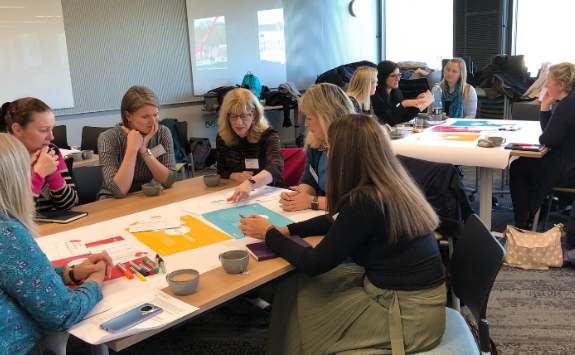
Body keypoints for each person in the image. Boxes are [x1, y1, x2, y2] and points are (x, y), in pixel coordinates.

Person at [240, 114, 446, 355]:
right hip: (408, 295)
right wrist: (288, 230)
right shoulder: (390, 183)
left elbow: (314, 263)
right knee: (294, 286)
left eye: (331, 149)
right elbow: (338, 220)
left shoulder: (366, 201)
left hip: (408, 314)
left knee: (307, 313)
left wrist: (270, 234)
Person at [0, 133, 113, 355]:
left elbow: (18, 274)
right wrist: (96, 280)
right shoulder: (8, 234)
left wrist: (72, 272)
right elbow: (63, 313)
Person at [510, 62, 575, 229]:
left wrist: (545, 107)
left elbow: (547, 139)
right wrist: (546, 107)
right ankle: (535, 214)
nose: (546, 85)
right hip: (570, 161)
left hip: (568, 169)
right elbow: (552, 134)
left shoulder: (568, 104)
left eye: (549, 82)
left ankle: (522, 225)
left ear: (561, 85)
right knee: (527, 165)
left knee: (518, 167)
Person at [279, 83, 354, 212]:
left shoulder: (356, 147)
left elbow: (355, 203)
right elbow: (310, 181)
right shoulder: (317, 143)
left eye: (309, 118)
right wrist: (299, 195)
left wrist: (311, 201)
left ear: (325, 118)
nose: (306, 124)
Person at [98, 86, 178, 200]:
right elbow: (119, 191)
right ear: (128, 115)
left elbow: (169, 181)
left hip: (147, 194)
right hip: (112, 200)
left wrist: (143, 150)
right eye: (145, 117)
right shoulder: (108, 138)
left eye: (155, 115)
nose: (153, 122)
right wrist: (132, 148)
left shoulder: (162, 133)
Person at [0, 98, 78, 212]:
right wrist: (39, 174)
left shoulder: (51, 151)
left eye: (52, 129)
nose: (51, 137)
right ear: (17, 129)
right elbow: (16, 215)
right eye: (43, 130)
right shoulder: (4, 157)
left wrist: (52, 174)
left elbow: (70, 204)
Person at [216, 88, 285, 202]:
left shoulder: (268, 135)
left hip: (270, 193)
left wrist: (250, 183)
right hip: (238, 194)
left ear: (254, 114)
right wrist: (237, 176)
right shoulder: (222, 137)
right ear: (227, 116)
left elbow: (276, 167)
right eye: (233, 116)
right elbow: (221, 171)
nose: (239, 122)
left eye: (244, 116)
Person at [371, 60, 426, 126]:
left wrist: (416, 103)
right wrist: (403, 105)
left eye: (399, 75)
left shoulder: (396, 92)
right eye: (394, 76)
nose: (398, 79)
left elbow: (404, 118)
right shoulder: (375, 96)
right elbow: (388, 123)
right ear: (383, 77)